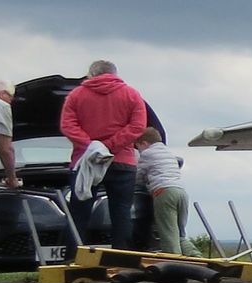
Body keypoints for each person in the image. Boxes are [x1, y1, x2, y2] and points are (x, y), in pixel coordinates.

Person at [59, 59, 148, 249]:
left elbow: (67, 125)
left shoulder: (76, 95)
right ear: (115, 74)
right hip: (122, 161)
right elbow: (138, 126)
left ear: (90, 75)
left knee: (79, 212)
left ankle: (73, 257)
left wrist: (91, 146)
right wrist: (109, 145)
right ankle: (121, 257)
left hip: (86, 162)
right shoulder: (132, 94)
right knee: (121, 213)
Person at [135, 127, 191, 255]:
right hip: (181, 192)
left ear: (144, 143)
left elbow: (138, 176)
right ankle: (194, 256)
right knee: (180, 233)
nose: (139, 150)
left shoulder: (147, 154)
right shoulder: (168, 153)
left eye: (138, 146)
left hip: (164, 192)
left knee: (168, 232)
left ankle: (173, 260)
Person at [0, 78, 20, 191]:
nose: (12, 100)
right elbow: (5, 149)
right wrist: (12, 179)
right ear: (2, 94)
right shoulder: (1, 106)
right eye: (11, 96)